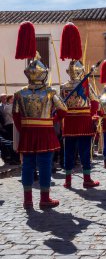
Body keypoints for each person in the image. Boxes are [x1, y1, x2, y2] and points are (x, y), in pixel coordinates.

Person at [13, 21, 67, 209]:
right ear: (44, 75)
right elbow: (63, 110)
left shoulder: (19, 93)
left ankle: (28, 199)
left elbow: (16, 116)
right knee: (44, 164)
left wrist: (26, 127)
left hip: (28, 131)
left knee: (27, 164)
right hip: (45, 131)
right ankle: (44, 199)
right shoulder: (50, 92)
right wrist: (52, 121)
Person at [59, 23, 100, 189]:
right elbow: (95, 101)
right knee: (84, 151)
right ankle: (86, 179)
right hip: (83, 121)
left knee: (68, 151)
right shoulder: (85, 85)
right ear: (81, 71)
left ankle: (68, 181)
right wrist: (92, 115)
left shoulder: (63, 87)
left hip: (68, 122)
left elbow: (61, 106)